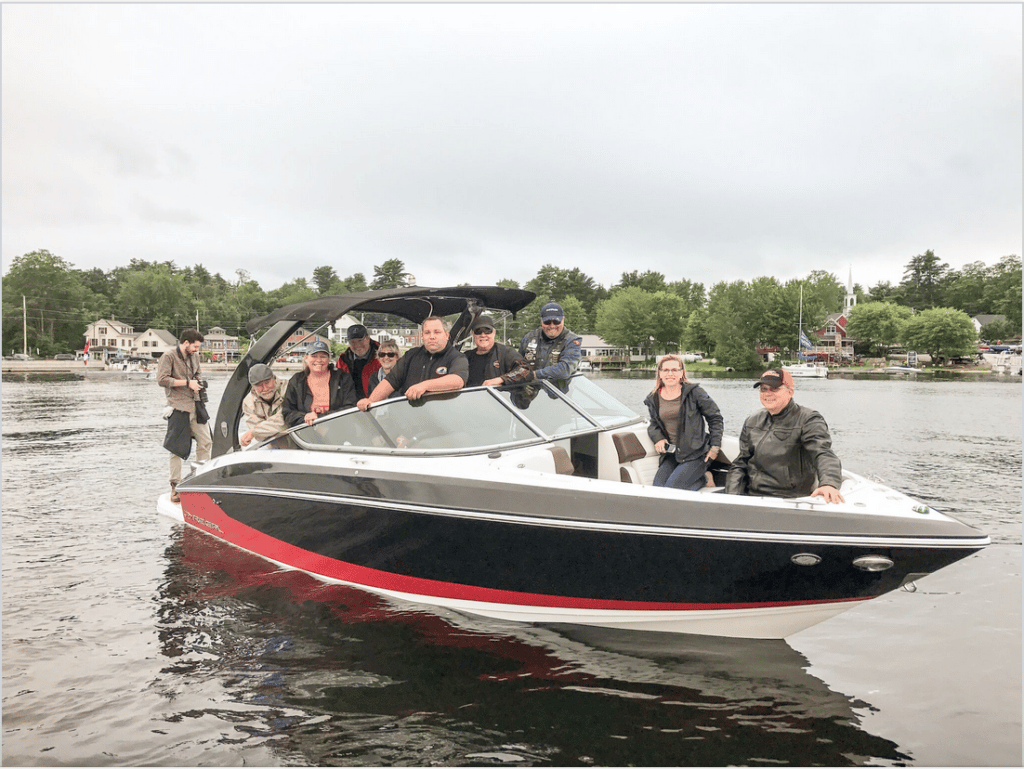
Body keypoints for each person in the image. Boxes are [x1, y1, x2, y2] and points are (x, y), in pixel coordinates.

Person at [725, 368, 845, 503]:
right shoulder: (752, 420)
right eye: (763, 389)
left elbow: (823, 453)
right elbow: (740, 464)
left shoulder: (808, 419)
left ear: (790, 392)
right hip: (753, 496)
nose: (767, 393)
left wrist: (829, 483)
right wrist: (732, 498)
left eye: (774, 389)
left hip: (790, 499)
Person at [643, 354, 724, 491]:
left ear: (682, 373)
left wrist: (715, 446)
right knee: (657, 489)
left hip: (696, 453)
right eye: (666, 370)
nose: (670, 374)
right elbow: (654, 424)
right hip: (672, 453)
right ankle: (703, 478)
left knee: (672, 490)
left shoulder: (695, 393)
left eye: (675, 370)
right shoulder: (654, 397)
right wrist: (658, 438)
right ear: (660, 373)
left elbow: (715, 418)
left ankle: (704, 478)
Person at [357, 316, 468, 410]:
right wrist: (371, 401)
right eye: (427, 332)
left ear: (446, 335)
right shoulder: (411, 355)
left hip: (442, 419)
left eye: (437, 332)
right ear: (422, 336)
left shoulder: (457, 357)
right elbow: (391, 380)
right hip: (411, 419)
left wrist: (424, 386)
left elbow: (457, 380)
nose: (432, 336)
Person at [157, 329, 212, 504]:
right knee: (176, 449)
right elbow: (162, 380)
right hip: (177, 407)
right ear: (186, 343)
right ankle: (175, 486)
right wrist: (188, 383)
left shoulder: (194, 357)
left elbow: (198, 375)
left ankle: (200, 480)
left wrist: (198, 383)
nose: (197, 350)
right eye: (195, 346)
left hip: (196, 406)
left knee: (206, 441)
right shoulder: (169, 356)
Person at [283, 340, 358, 427]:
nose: (318, 360)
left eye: (323, 356)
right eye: (314, 356)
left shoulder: (343, 378)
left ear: (329, 358)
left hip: (338, 428)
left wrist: (319, 417)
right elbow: (287, 412)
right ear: (306, 358)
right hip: (306, 432)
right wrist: (304, 417)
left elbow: (351, 407)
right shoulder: (296, 380)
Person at [519, 301, 582, 382]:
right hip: (527, 391)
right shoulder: (529, 338)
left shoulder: (572, 341)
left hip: (555, 392)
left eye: (556, 322)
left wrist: (533, 375)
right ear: (541, 321)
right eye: (547, 322)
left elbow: (564, 369)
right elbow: (516, 365)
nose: (552, 326)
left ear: (563, 320)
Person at [464, 314, 533, 387]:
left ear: (494, 333)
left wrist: (501, 379)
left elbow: (526, 371)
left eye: (487, 331)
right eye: (478, 331)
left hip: (497, 397)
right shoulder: (465, 357)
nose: (483, 335)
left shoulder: (506, 352)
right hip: (469, 397)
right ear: (473, 334)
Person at [240, 363, 288, 447]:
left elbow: (286, 420)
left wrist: (255, 431)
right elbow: (260, 436)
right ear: (253, 386)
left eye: (267, 382)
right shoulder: (248, 403)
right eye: (259, 385)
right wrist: (257, 431)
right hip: (273, 447)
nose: (265, 388)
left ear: (274, 378)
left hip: (301, 444)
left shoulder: (289, 388)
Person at [336, 324, 381, 399]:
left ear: (368, 338)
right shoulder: (343, 360)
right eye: (353, 341)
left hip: (377, 403)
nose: (357, 345)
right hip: (351, 405)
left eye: (360, 340)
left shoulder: (384, 355)